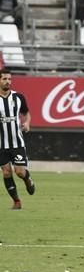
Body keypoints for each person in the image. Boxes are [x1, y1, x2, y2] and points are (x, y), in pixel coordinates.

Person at [0, 70, 35, 210]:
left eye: (9, 79)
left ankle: (27, 179)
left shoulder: (18, 97)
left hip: (17, 142)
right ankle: (16, 201)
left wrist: (27, 123)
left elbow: (26, 113)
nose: (8, 81)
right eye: (4, 79)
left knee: (19, 172)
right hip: (1, 144)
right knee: (6, 171)